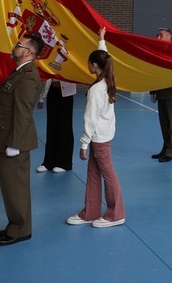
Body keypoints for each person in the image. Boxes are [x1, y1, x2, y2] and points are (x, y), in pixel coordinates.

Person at [0, 32, 43, 246]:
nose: (15, 47)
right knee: (9, 188)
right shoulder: (19, 73)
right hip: (5, 138)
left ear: (29, 52)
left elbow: (23, 112)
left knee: (16, 188)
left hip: (14, 142)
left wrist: (15, 144)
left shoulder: (28, 76)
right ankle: (14, 224)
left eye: (19, 45)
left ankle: (21, 230)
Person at [67, 38, 125, 228]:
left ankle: (115, 214)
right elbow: (106, 58)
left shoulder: (96, 90)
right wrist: (101, 42)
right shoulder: (109, 79)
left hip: (99, 139)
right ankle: (90, 212)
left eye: (89, 64)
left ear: (94, 65)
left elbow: (90, 119)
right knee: (93, 173)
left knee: (108, 174)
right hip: (104, 136)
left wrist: (83, 144)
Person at [150, 27, 172, 161]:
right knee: (164, 124)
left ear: (169, 36)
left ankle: (171, 152)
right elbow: (155, 73)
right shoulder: (157, 52)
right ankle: (165, 149)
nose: (157, 38)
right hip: (161, 92)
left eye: (160, 35)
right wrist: (152, 90)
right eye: (157, 35)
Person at [36, 77, 77, 173]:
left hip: (66, 94)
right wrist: (42, 98)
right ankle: (48, 162)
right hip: (52, 91)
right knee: (51, 127)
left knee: (65, 128)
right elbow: (48, 78)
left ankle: (64, 163)